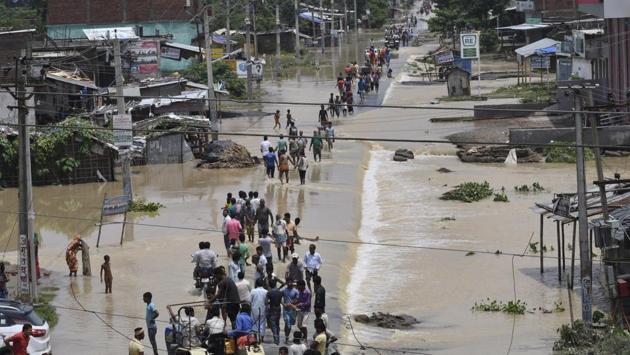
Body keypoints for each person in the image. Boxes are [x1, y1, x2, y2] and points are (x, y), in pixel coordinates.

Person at [266, 278, 285, 344]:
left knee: (273, 325)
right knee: (277, 324)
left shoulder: (269, 292)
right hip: (278, 309)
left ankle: (276, 339)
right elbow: (281, 301)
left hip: (272, 309)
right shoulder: (280, 292)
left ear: (270, 285)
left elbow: (266, 302)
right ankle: (278, 337)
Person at [282, 278, 299, 345]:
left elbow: (297, 299)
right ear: (286, 283)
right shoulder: (283, 290)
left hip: (292, 310)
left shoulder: (295, 291)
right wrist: (283, 304)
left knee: (290, 324)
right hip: (285, 310)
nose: (289, 284)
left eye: (290, 282)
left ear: (292, 282)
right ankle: (287, 338)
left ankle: (286, 335)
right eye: (288, 282)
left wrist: (291, 303)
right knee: (288, 324)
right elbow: (279, 297)